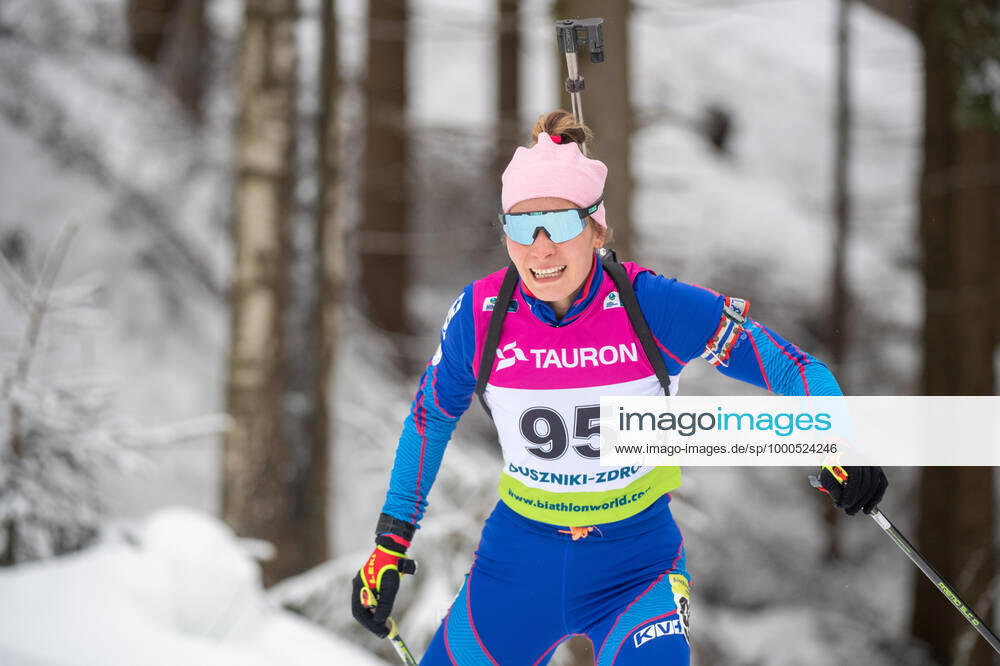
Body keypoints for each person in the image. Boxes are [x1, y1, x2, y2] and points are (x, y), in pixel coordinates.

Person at [352, 110, 888, 665]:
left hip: (635, 565)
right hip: (517, 565)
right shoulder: (481, 315)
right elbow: (430, 418)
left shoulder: (652, 306)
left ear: (596, 229)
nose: (540, 249)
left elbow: (790, 366)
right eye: (521, 226)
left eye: (560, 225)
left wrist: (838, 441)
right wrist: (390, 543)